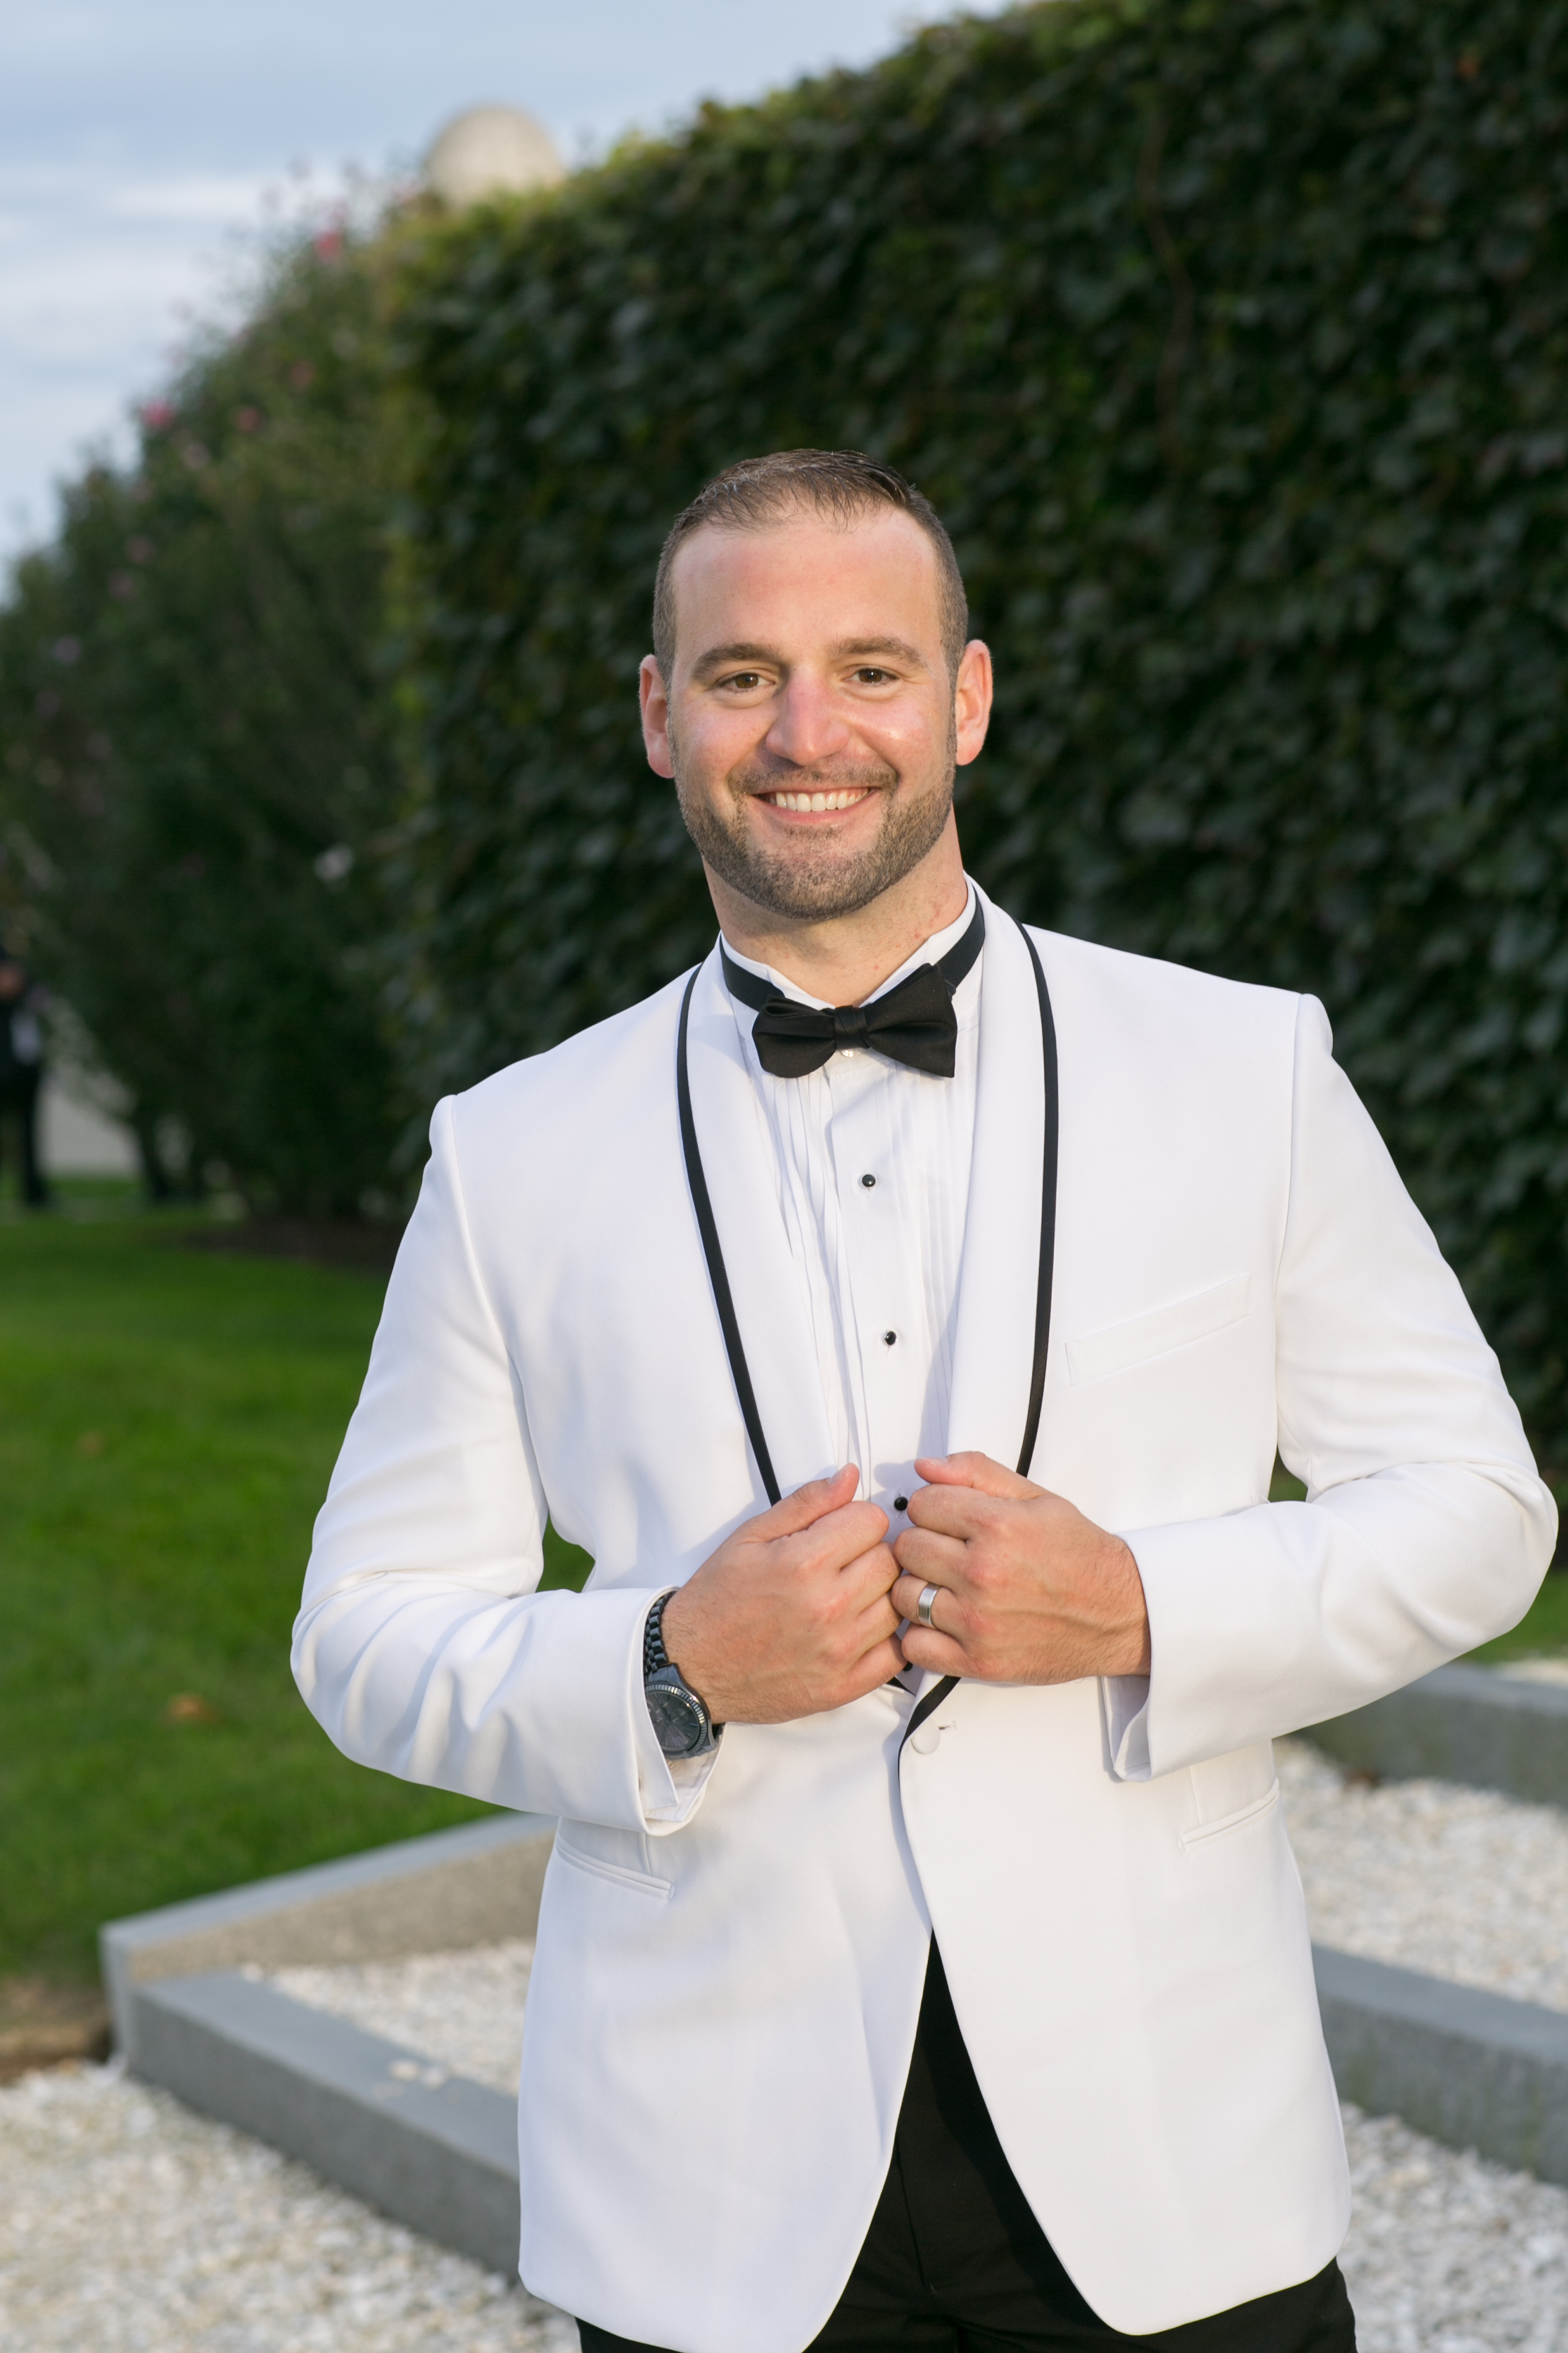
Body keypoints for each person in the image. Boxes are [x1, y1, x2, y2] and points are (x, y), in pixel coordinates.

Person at [294, 450, 1555, 2353]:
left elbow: (1476, 1507)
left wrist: (1136, 1605)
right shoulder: (508, 1156)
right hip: (708, 2201)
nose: (807, 733)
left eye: (868, 669)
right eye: (741, 676)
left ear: (962, 699)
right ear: (659, 716)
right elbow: (361, 1631)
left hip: (1168, 2167)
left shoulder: (1243, 1071)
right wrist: (667, 1665)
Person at [0, 943, 49, 1207]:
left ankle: (33, 1190)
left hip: (25, 1062)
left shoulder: (27, 961)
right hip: (4, 1060)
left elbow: (40, 996)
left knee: (29, 1128)